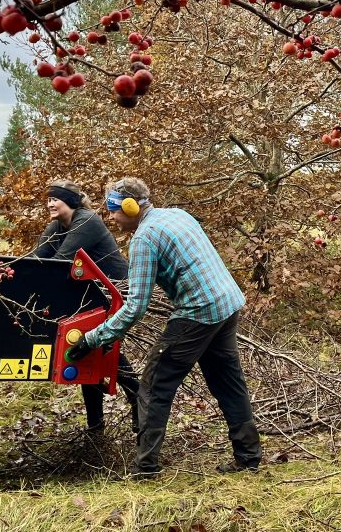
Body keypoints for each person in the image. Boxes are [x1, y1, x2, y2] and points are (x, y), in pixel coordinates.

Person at [67, 177, 261, 477]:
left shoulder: (144, 238)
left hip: (198, 312)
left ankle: (146, 468)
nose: (112, 218)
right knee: (228, 382)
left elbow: (136, 307)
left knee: (154, 386)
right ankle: (248, 458)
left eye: (114, 211)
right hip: (227, 303)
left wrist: (93, 338)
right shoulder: (177, 214)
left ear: (130, 207)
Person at [34, 180, 140, 432]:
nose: (49, 204)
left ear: (69, 201)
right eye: (48, 199)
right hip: (89, 294)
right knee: (88, 351)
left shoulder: (86, 221)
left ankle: (138, 401)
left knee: (102, 349)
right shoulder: (57, 225)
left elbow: (61, 262)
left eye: (55, 199)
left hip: (114, 293)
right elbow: (38, 259)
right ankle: (97, 424)